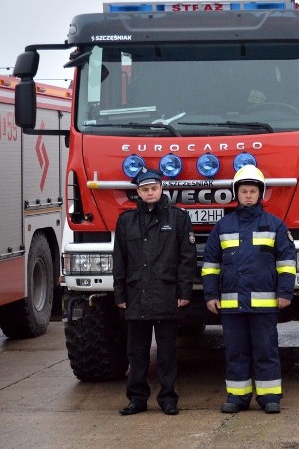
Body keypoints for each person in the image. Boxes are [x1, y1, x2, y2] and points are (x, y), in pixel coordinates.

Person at [202, 164, 297, 414]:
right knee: (236, 352)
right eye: (243, 191)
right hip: (232, 306)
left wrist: (285, 293)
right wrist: (211, 295)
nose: (248, 196)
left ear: (260, 194)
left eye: (252, 191)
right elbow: (210, 265)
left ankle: (269, 398)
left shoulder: (275, 226)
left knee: (266, 351)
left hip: (265, 306)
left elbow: (287, 262)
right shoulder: (223, 227)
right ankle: (237, 397)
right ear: (237, 194)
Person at [113, 167, 195, 416]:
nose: (150, 193)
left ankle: (168, 398)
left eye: (154, 188)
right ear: (138, 192)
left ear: (161, 189)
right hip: (137, 295)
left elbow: (186, 259)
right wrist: (120, 295)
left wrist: (185, 292)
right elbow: (120, 260)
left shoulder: (178, 219)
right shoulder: (126, 221)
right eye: (145, 189)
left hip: (166, 294)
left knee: (167, 353)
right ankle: (137, 399)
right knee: (136, 353)